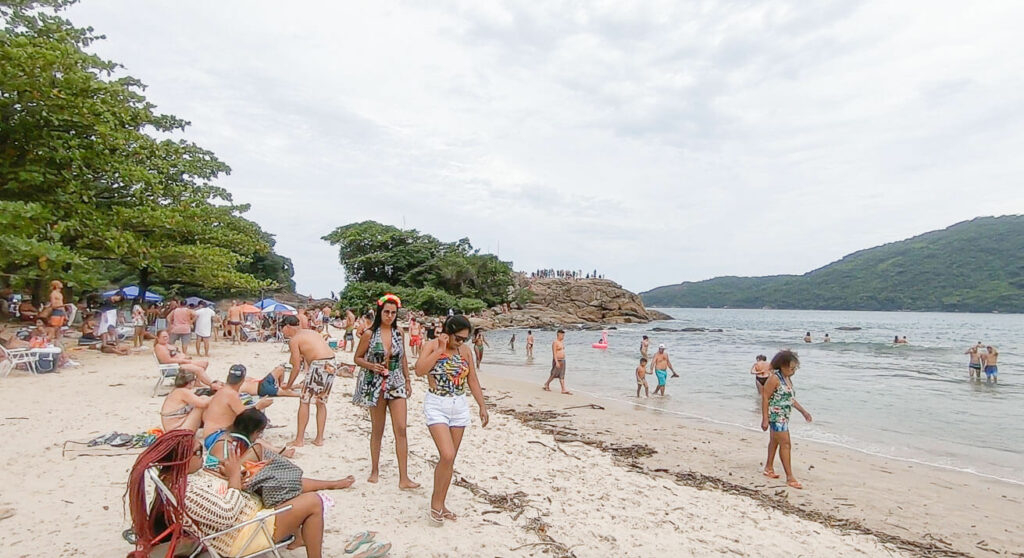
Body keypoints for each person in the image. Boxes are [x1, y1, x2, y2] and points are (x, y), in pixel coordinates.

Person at [124, 430, 331, 558]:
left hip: (246, 519)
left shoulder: (181, 480)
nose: (203, 455)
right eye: (198, 452)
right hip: (241, 535)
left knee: (284, 486)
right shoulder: (184, 494)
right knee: (313, 503)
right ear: (181, 460)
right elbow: (228, 514)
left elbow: (216, 498)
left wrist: (228, 476)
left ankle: (300, 537)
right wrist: (233, 477)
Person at [414, 314, 488, 524]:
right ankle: (435, 504)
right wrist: (439, 350)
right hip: (437, 404)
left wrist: (482, 405)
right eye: (458, 338)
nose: (461, 342)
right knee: (446, 454)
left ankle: (441, 503)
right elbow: (419, 370)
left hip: (459, 405)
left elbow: (472, 378)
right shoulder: (431, 346)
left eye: (464, 338)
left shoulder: (465, 351)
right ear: (448, 332)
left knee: (450, 459)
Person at [351, 294, 418, 488]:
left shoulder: (399, 332)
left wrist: (408, 379)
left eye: (393, 313)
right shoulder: (369, 334)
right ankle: (374, 469)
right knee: (377, 429)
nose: (390, 315)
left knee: (401, 428)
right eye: (387, 312)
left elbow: (403, 357)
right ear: (380, 312)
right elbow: (357, 358)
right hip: (376, 384)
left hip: (396, 382)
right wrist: (372, 366)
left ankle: (404, 477)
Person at [206, 408, 355, 492]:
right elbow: (220, 473)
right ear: (253, 431)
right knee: (282, 480)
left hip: (232, 481)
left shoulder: (231, 439)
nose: (259, 436)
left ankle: (330, 484)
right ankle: (331, 484)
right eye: (259, 433)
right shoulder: (224, 445)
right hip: (225, 487)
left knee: (279, 476)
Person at [281, 315, 345, 447]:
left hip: (319, 364)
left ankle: (299, 439)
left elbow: (296, 367)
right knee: (321, 401)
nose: (282, 332)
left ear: (287, 327)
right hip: (332, 362)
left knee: (304, 401)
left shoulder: (294, 340)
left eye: (282, 329)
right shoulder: (310, 332)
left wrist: (288, 385)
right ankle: (319, 438)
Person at [761, 350, 812, 489]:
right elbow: (765, 397)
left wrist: (803, 412)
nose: (793, 371)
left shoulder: (787, 378)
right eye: (791, 368)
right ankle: (790, 477)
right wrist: (765, 419)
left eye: (795, 368)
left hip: (784, 415)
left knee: (775, 442)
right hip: (777, 417)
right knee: (786, 444)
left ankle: (768, 468)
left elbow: (790, 399)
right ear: (782, 366)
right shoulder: (774, 378)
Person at [203, 364, 273, 440]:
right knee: (258, 442)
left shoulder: (222, 391)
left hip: (210, 434)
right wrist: (259, 406)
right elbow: (246, 418)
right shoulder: (231, 394)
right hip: (217, 436)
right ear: (242, 380)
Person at [543, 330, 571, 394]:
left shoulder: (561, 342)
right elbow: (554, 353)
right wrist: (556, 362)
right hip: (557, 360)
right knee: (553, 374)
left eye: (564, 335)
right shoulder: (555, 342)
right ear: (558, 334)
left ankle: (563, 389)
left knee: (562, 375)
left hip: (563, 360)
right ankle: (547, 384)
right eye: (562, 335)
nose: (563, 337)